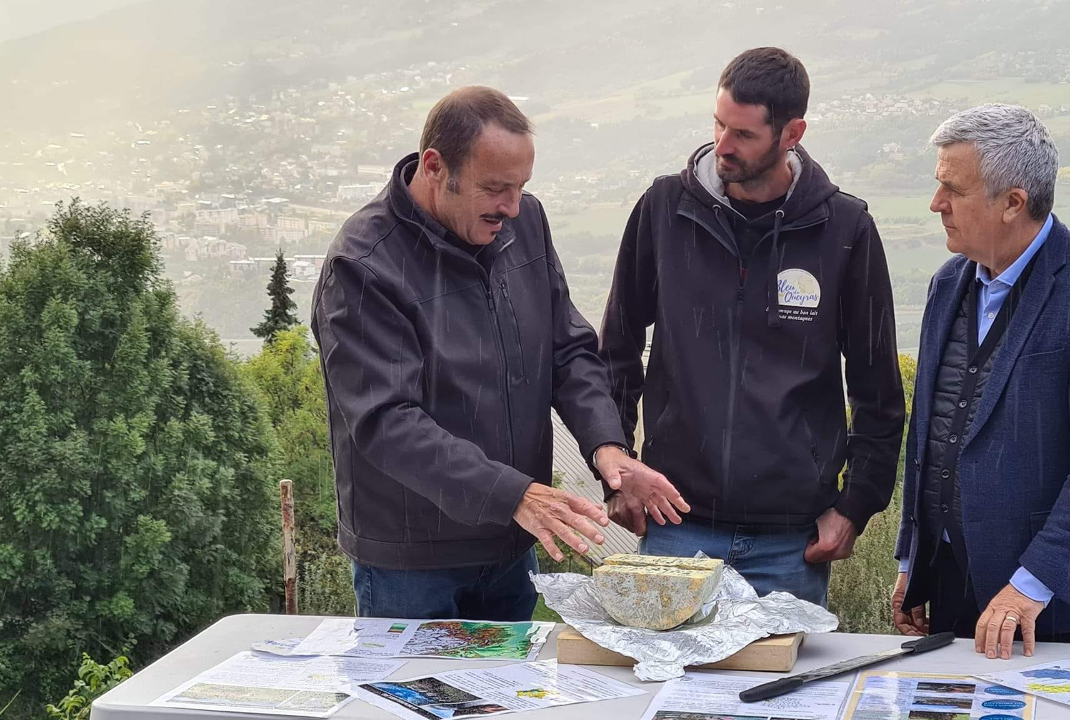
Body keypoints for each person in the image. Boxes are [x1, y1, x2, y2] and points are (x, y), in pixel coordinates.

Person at [312, 86, 687, 621]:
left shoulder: (523, 225)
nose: (512, 208)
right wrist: (514, 494)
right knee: (414, 702)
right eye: (494, 189)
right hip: (411, 565)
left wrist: (608, 448)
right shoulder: (363, 266)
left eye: (521, 187)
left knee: (510, 702)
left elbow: (569, 350)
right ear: (436, 167)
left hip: (511, 547)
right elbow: (387, 423)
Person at [598, 48, 905, 607]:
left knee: (782, 694)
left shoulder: (844, 229)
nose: (723, 145)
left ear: (792, 132)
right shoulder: (665, 210)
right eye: (718, 124)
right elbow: (616, 348)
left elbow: (878, 390)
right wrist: (616, 468)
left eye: (742, 133)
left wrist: (855, 507)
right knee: (666, 691)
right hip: (675, 525)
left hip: (793, 542)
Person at [891, 104, 1070, 659]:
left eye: (953, 190)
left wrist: (1031, 584)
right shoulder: (949, 282)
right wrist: (912, 560)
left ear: (1014, 202)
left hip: (1058, 605)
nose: (937, 203)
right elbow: (932, 431)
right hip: (950, 585)